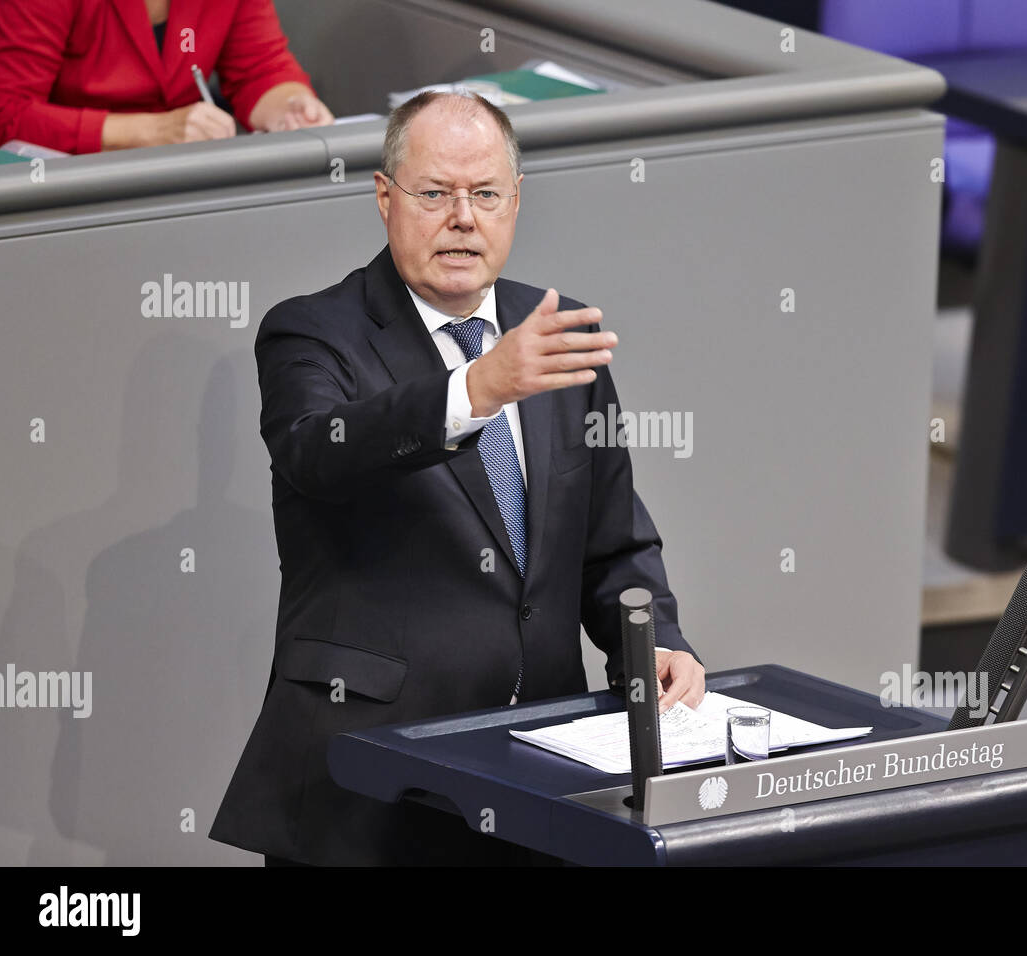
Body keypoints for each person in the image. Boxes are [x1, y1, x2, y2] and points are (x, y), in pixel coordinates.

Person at [209, 90, 706, 866]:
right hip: (370, 781)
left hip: (539, 773)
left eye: (485, 194)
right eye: (435, 193)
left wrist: (658, 644)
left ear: (516, 203)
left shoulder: (555, 335)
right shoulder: (313, 331)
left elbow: (612, 543)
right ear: (384, 198)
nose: (462, 217)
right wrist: (478, 388)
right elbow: (320, 454)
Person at [0, 0, 332, 154]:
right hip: (62, 191)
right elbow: (2, 114)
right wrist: (152, 131)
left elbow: (260, 68)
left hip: (177, 182)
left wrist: (291, 106)